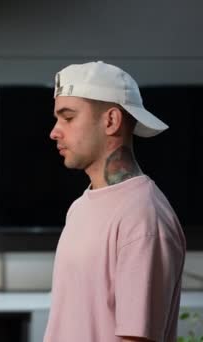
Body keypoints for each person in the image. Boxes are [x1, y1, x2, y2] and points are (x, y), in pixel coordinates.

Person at [44, 61, 186, 342]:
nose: (55, 132)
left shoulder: (143, 217)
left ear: (111, 121)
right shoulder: (81, 207)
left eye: (68, 117)